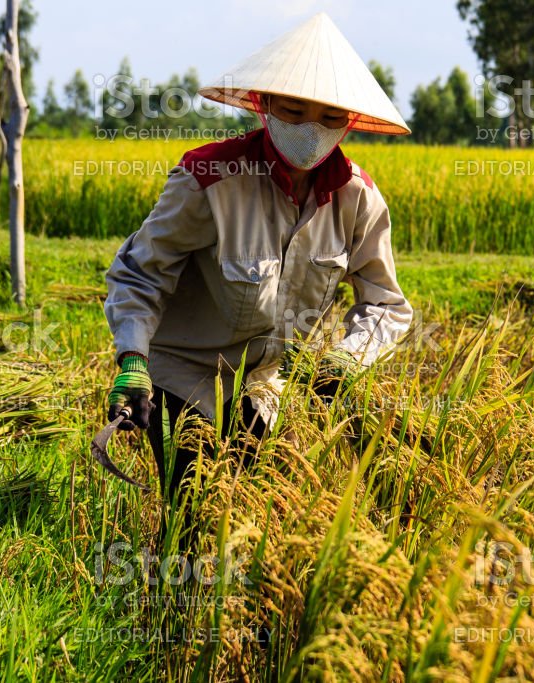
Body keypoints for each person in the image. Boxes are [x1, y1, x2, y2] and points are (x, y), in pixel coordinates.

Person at [103, 13, 413, 506]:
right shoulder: (208, 179)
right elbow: (141, 273)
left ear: (350, 122)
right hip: (186, 375)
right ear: (264, 103)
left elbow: (386, 304)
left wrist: (347, 359)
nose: (312, 130)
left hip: (265, 385)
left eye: (331, 118)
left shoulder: (360, 200)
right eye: (293, 110)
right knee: (193, 511)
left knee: (251, 512)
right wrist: (133, 360)